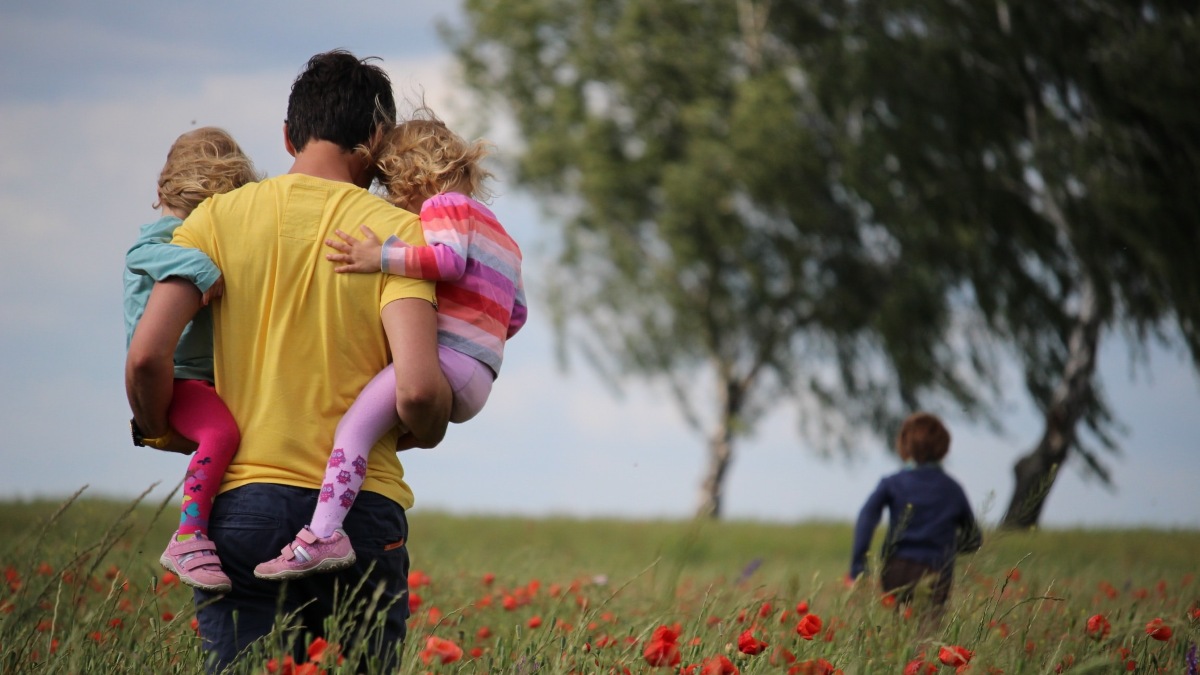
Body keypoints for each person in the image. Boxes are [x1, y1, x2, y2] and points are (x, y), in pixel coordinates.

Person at [125, 50, 452, 672]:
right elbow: (416, 390)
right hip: (359, 512)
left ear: (286, 135)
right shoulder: (396, 235)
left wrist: (162, 426)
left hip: (241, 505)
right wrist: (427, 430)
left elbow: (146, 357)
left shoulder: (213, 220)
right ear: (377, 139)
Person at [254, 111, 528, 580]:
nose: (391, 198)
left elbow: (446, 261)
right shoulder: (503, 236)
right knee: (376, 432)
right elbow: (516, 314)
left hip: (447, 361)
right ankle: (337, 510)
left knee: (352, 430)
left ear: (414, 174)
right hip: (480, 375)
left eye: (391, 184)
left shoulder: (445, 207)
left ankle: (323, 535)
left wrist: (378, 256)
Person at [123, 126, 259, 593]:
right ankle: (189, 536)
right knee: (221, 433)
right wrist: (202, 268)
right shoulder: (167, 237)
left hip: (201, 378)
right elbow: (141, 253)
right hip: (179, 377)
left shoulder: (187, 232)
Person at [848, 412, 982, 614]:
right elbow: (973, 539)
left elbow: (866, 518)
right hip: (937, 570)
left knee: (899, 628)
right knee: (928, 633)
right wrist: (947, 547)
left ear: (904, 445)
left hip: (896, 569)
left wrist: (859, 567)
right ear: (943, 447)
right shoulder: (953, 489)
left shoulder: (892, 483)